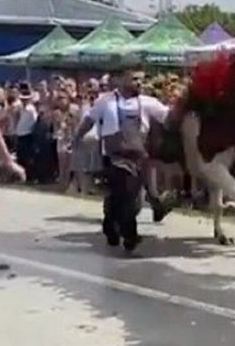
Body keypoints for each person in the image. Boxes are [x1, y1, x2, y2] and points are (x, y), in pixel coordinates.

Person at [72, 69, 169, 252]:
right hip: (114, 157)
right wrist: (77, 138)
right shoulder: (106, 102)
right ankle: (130, 235)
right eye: (134, 79)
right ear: (120, 80)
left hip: (139, 158)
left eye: (141, 79)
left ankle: (110, 226)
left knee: (122, 198)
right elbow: (89, 120)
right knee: (127, 195)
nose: (139, 83)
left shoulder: (148, 103)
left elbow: (168, 116)